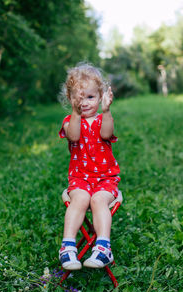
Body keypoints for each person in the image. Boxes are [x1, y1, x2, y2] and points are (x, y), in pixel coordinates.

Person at [59, 63, 120, 270]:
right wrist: (75, 113)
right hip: (80, 178)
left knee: (98, 198)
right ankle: (68, 247)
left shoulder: (104, 119)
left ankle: (103, 247)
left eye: (90, 97)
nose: (84, 103)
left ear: (100, 96)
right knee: (81, 198)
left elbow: (106, 134)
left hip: (105, 179)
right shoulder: (70, 121)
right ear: (70, 99)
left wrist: (107, 110)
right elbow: (74, 136)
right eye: (79, 98)